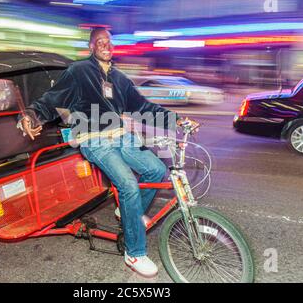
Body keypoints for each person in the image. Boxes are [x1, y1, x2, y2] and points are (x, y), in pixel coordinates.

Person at [18, 28, 199, 277]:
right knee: (128, 185)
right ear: (92, 47)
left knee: (157, 169)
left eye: (109, 42)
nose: (106, 45)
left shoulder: (120, 79)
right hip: (93, 140)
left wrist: (177, 120)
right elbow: (52, 98)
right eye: (100, 42)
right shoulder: (79, 71)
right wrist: (30, 115)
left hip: (120, 136)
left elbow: (143, 107)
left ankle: (126, 213)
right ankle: (134, 253)